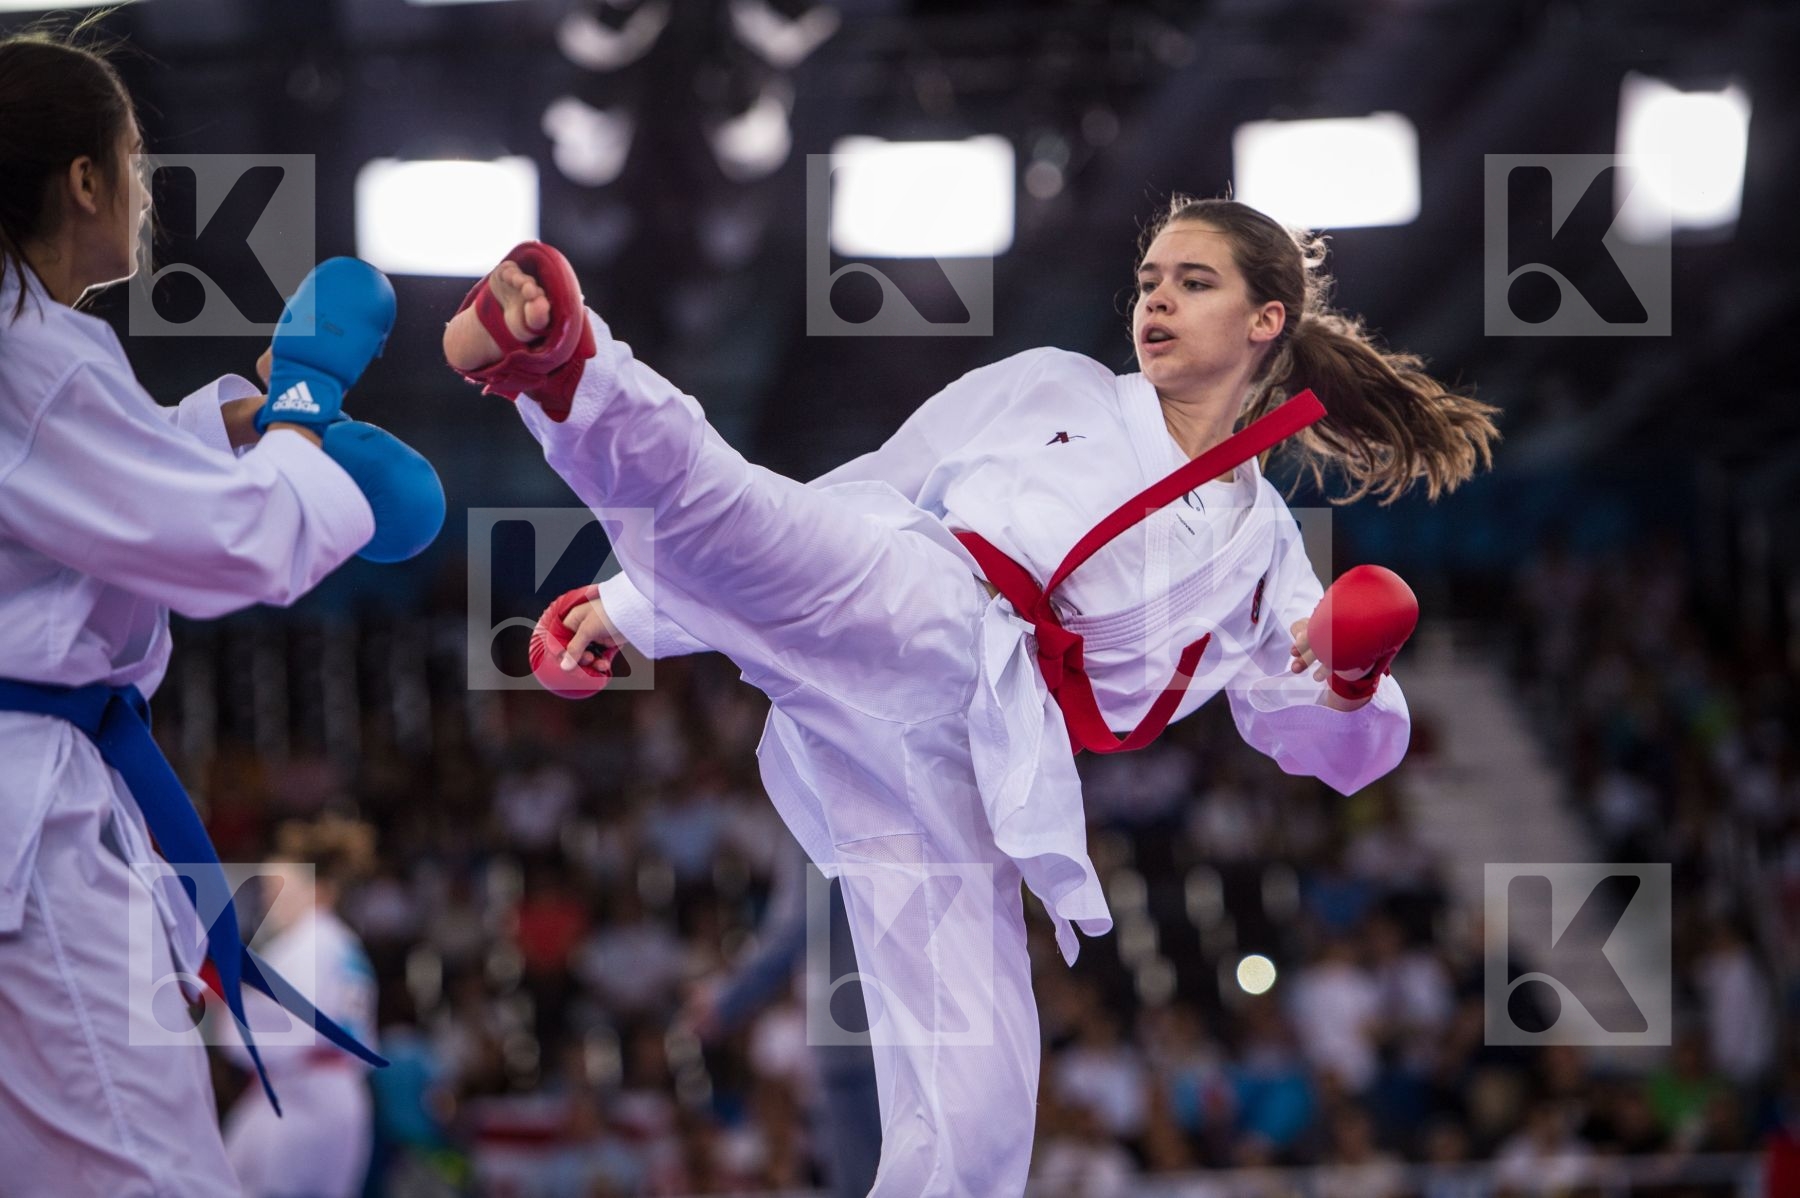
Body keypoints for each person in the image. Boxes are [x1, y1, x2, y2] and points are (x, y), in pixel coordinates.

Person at [443, 196, 1499, 1194]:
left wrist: (1354, 678)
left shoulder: (1266, 550)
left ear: (1267, 320)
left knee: (981, 1109)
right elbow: (865, 487)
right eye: (1148, 280)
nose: (1156, 301)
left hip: (982, 768)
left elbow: (1319, 743)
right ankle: (571, 367)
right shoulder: (1054, 389)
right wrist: (629, 614)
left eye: (1193, 281)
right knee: (748, 524)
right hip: (937, 603)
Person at [0, 28, 401, 1198]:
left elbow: (66, 519)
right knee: (153, 1176)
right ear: (83, 179)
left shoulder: (34, 355)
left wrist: (233, 427)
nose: (143, 194)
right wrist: (305, 398)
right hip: (29, 825)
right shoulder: (37, 351)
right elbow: (238, 546)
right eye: (132, 158)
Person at [222, 818, 382, 1198]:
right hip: (337, 1094)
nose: (268, 898)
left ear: (318, 891)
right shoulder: (342, 943)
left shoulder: (306, 944)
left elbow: (280, 1030)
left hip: (301, 1098)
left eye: (279, 887)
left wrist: (227, 1013)